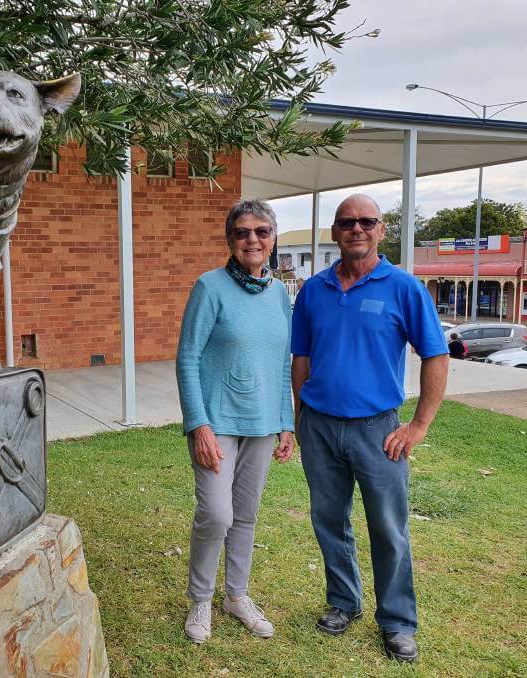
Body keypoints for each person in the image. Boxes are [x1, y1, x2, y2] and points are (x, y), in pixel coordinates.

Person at [291, 194, 448, 663]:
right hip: (319, 427)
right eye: (347, 222)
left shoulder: (403, 288)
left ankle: (398, 622)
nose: (356, 228)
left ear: (381, 230)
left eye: (367, 221)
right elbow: (301, 359)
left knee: (388, 527)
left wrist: (419, 425)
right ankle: (343, 602)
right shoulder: (313, 291)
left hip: (378, 431)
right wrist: (299, 417)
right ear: (335, 232)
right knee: (328, 520)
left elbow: (435, 355)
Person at [176, 199, 295, 644]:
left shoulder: (281, 294)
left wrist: (287, 423)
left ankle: (236, 596)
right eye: (243, 232)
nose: (253, 239)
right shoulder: (209, 287)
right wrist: (199, 425)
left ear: (273, 239)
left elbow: (282, 362)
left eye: (262, 231)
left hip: (263, 424)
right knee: (216, 513)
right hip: (217, 422)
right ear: (230, 239)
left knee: (245, 515)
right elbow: (187, 358)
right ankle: (201, 598)